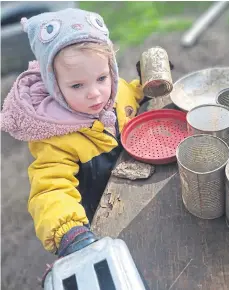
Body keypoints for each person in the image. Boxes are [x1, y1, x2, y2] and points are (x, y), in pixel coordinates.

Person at [1, 7, 145, 259]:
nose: (95, 93)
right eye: (77, 85)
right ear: (53, 84)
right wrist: (68, 230)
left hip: (133, 187)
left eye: (101, 78)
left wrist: (146, 88)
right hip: (98, 212)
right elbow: (50, 188)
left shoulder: (117, 91)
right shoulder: (55, 138)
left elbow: (131, 95)